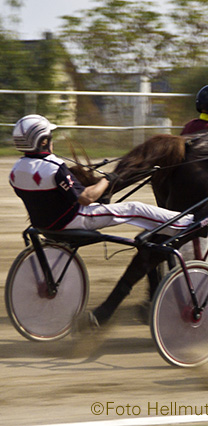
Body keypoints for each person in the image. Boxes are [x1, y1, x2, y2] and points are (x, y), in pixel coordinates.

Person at [9, 114, 195, 328]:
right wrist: (107, 180)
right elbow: (87, 198)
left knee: (129, 209)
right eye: (49, 135)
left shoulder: (15, 171)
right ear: (43, 140)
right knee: (133, 209)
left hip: (44, 225)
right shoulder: (55, 167)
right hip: (76, 219)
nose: (51, 139)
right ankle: (185, 223)